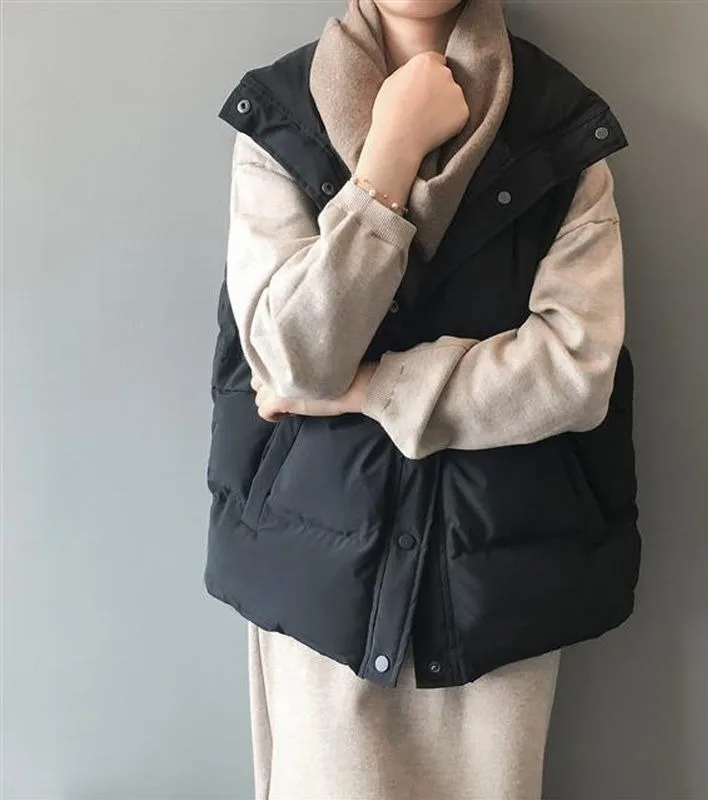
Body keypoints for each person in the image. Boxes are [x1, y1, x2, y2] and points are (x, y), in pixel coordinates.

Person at [205, 0, 642, 797]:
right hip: (320, 580)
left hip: (496, 591)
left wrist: (375, 388)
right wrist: (390, 154)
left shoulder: (560, 123)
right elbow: (294, 360)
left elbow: (577, 371)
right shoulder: (278, 116)